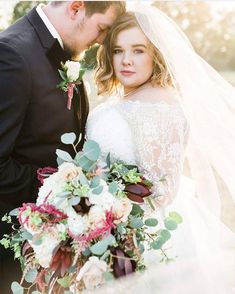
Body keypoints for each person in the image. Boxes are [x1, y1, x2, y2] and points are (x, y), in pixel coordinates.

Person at [86, 7, 235, 293]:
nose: (126, 60)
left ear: (156, 55)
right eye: (118, 50)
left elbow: (161, 190)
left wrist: (102, 203)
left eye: (138, 50)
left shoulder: (160, 107)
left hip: (143, 239)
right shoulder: (132, 98)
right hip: (106, 230)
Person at [0, 1, 126, 292]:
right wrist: (62, 193)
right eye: (102, 29)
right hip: (10, 251)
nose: (101, 41)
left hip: (48, 250)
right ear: (76, 7)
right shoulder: (12, 54)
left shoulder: (63, 51)